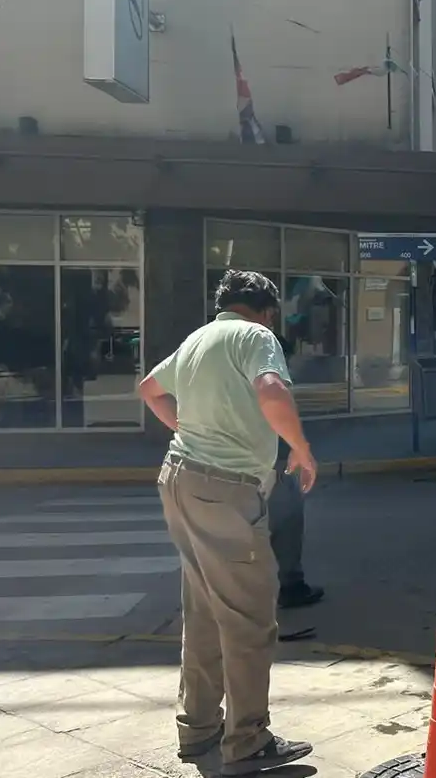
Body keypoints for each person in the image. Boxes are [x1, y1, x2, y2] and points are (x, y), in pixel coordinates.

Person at [138, 270, 317, 775]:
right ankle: (248, 741)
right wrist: (300, 449)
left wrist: (191, 429)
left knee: (203, 612)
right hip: (226, 489)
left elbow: (149, 388)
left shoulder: (198, 339)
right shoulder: (255, 336)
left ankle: (197, 731)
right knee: (249, 620)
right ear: (266, 310)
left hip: (178, 479)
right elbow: (271, 390)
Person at [269, 333, 324, 611]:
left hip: (255, 464)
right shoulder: (269, 377)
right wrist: (300, 451)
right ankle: (290, 584)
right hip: (276, 464)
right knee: (287, 522)